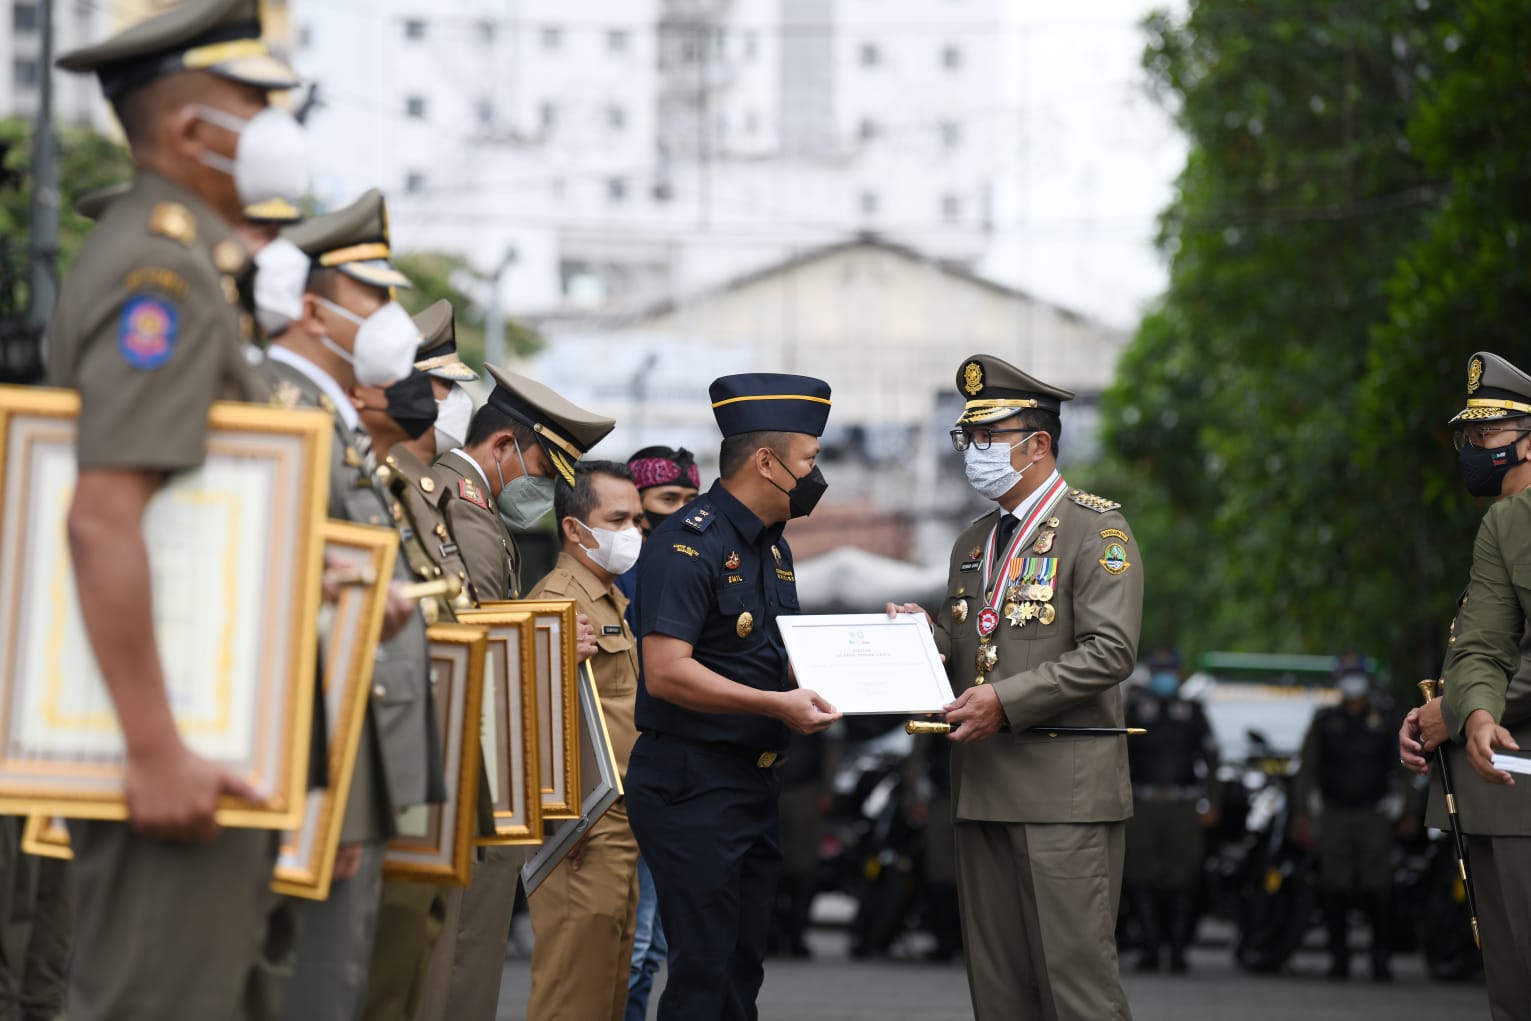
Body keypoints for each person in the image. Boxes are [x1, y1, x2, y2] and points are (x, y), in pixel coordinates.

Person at [46, 1, 306, 1017]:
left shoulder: (188, 258)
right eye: (257, 102)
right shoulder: (163, 269)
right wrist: (154, 745)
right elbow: (104, 512)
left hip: (210, 712)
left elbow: (187, 509)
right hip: (179, 731)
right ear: (196, 131)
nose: (280, 124)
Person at [888, 354, 1142, 1020]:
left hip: (1063, 792)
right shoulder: (972, 541)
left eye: (986, 438)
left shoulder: (1097, 530)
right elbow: (972, 648)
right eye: (966, 438)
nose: (972, 452)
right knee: (999, 995)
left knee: (1076, 989)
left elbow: (1111, 651)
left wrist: (1006, 700)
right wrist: (920, 641)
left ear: (1038, 445)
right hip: (982, 786)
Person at [270, 190, 445, 1021]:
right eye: (371, 296)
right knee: (311, 982)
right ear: (310, 308)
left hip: (352, 752)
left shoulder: (329, 420)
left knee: (338, 981)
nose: (391, 316)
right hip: (317, 754)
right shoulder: (285, 410)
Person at [626, 373, 842, 1020]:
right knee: (703, 971)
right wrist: (775, 706)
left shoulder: (771, 550)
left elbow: (777, 657)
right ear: (767, 462)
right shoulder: (686, 541)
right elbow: (665, 671)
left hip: (752, 785)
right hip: (692, 783)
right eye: (810, 460)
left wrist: (897, 639)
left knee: (739, 970)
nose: (815, 475)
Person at [422, 368, 611, 1021]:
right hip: (467, 769)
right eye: (540, 469)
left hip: (469, 763)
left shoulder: (468, 505)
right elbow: (468, 647)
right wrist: (551, 646)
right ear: (501, 445)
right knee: (459, 958)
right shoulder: (466, 513)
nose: (543, 493)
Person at [1401, 351, 1531, 1018]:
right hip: (1496, 780)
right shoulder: (1504, 523)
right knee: (1510, 993)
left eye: (1487, 436)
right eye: (1470, 437)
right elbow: (1482, 643)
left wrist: (1454, 711)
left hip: (1519, 787)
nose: (1473, 450)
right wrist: (1462, 709)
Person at [525, 462, 646, 1020]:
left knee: (606, 980)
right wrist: (559, 816)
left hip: (618, 816)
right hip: (584, 822)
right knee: (573, 986)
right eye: (618, 519)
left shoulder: (607, 597)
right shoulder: (558, 599)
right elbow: (538, 715)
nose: (634, 533)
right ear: (575, 529)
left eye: (638, 520)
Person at [619, 446, 700, 1020]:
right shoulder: (617, 575)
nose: (682, 514)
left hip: (669, 777)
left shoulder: (686, 568)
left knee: (655, 947)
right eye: (667, 500)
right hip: (618, 781)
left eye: (691, 501)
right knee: (635, 946)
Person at [1291, 656, 1401, 982]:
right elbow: (1307, 767)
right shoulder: (1325, 720)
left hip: (1374, 813)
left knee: (1378, 887)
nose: (1351, 682)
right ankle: (1339, 959)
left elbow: (1403, 766)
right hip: (1335, 813)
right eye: (1346, 676)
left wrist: (1408, 809)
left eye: (1356, 676)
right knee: (1333, 886)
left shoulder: (1385, 719)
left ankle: (1381, 959)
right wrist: (1301, 812)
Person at [1123, 646, 1219, 974]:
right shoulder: (1135, 707)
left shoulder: (1192, 710)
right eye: (1159, 670)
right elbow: (1119, 755)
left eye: (1170, 670)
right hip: (1143, 802)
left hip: (1182, 803)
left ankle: (1178, 951)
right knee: (1141, 875)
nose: (1165, 676)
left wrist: (1213, 801)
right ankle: (1150, 948)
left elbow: (1211, 756)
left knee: (1183, 876)